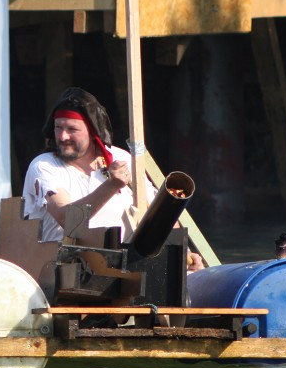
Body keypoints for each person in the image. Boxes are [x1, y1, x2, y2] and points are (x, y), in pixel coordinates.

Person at [22, 87, 204, 270]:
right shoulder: (44, 166)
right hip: (65, 269)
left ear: (93, 132)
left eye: (72, 129)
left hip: (128, 267)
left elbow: (158, 211)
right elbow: (67, 219)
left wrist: (182, 253)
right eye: (58, 127)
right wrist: (110, 186)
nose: (62, 136)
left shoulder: (121, 159)